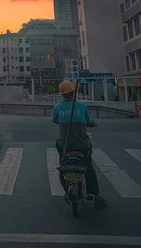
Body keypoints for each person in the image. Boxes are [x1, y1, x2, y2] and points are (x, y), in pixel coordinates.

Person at [51, 80, 107, 208]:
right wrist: (91, 124)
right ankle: (95, 195)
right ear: (73, 92)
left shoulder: (57, 108)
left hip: (65, 146)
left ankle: (67, 191)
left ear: (62, 95)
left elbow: (54, 120)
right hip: (82, 145)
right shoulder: (82, 107)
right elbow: (89, 121)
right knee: (89, 167)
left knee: (62, 165)